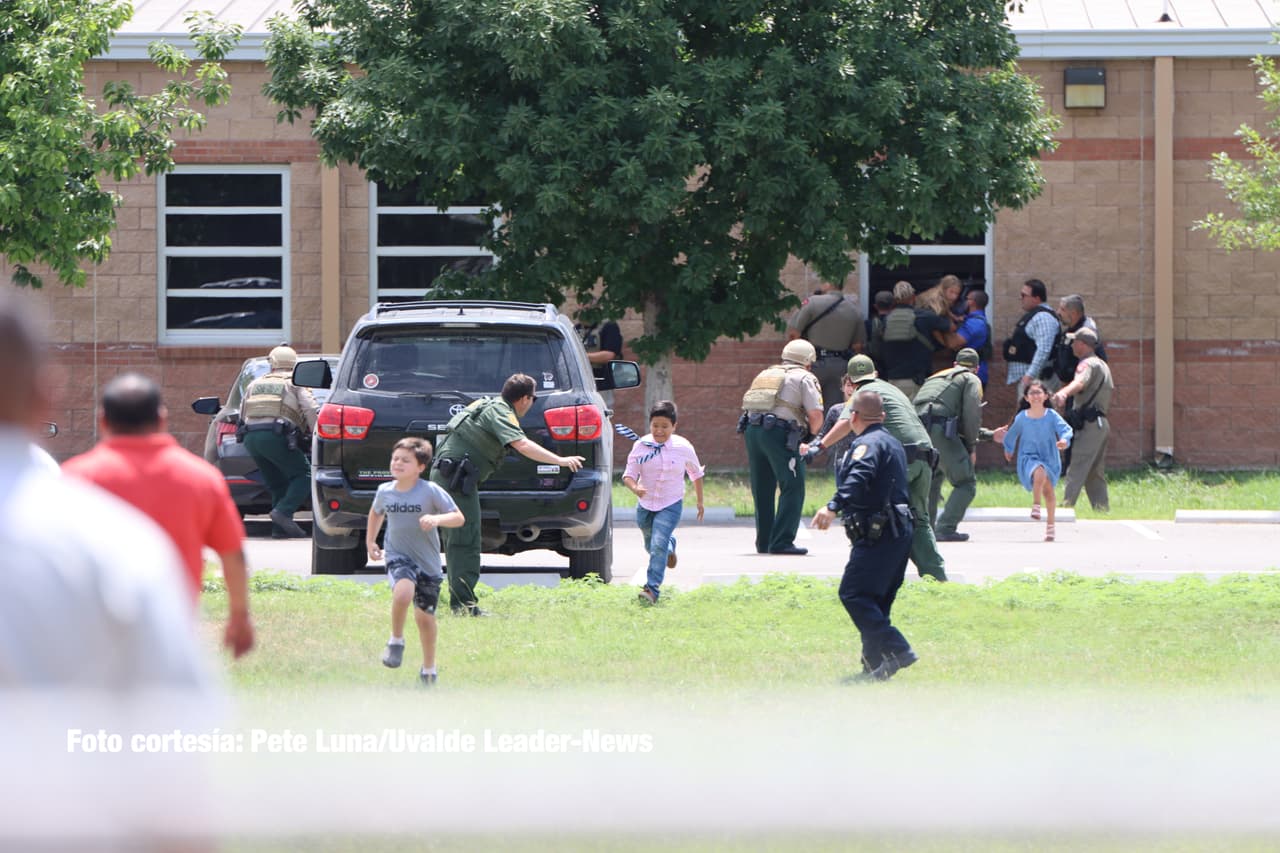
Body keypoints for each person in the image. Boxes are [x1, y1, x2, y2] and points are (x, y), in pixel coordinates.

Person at [0, 292, 211, 688]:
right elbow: (179, 705)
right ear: (46, 395)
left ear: (103, 420)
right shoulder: (120, 544)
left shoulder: (80, 477)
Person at [63, 373, 255, 658]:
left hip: (91, 636)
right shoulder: (200, 478)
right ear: (161, 419)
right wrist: (239, 615)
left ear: (103, 421)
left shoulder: (74, 479)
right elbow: (232, 554)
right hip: (172, 632)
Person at [430, 373, 585, 615]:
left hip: (450, 477)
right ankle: (463, 605)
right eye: (533, 398)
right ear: (524, 399)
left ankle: (451, 600)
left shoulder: (487, 404)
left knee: (456, 540)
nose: (532, 403)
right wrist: (560, 460)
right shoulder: (501, 412)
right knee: (465, 541)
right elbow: (522, 444)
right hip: (454, 480)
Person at [803, 355, 947, 581]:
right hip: (925, 457)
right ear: (875, 374)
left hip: (900, 461)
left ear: (851, 381)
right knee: (918, 519)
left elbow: (845, 423)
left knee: (872, 515)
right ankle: (937, 578)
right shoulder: (892, 390)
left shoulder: (863, 393)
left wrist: (818, 446)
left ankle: (872, 577)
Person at [811, 390, 917, 682]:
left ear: (853, 416)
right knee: (876, 600)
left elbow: (859, 476)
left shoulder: (866, 445)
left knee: (853, 593)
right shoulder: (891, 441)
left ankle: (898, 649)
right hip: (898, 530)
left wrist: (833, 506)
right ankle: (873, 666)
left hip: (878, 532)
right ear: (882, 416)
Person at [367, 437, 465, 685]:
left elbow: (458, 517)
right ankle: (396, 641)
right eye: (395, 459)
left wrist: (436, 519)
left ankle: (429, 670)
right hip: (398, 555)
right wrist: (370, 542)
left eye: (405, 460)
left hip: (428, 564)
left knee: (425, 619)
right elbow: (376, 513)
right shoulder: (385, 491)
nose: (398, 463)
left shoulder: (430, 491)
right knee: (403, 593)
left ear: (421, 467)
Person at [739, 340, 824, 556]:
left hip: (752, 431)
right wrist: (811, 437)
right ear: (807, 361)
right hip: (779, 434)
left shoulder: (766, 373)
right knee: (793, 485)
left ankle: (765, 541)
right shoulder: (805, 377)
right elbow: (816, 416)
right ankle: (782, 541)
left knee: (762, 488)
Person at [621, 400, 706, 604]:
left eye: (665, 426)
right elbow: (628, 474)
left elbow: (696, 474)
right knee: (651, 544)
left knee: (658, 544)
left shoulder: (683, 447)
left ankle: (651, 590)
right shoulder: (641, 446)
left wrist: (700, 502)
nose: (659, 431)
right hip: (645, 504)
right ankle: (670, 546)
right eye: (655, 426)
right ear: (650, 425)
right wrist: (635, 488)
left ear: (674, 426)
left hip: (671, 503)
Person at [239, 344, 320, 538]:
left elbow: (242, 412)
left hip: (251, 438)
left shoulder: (254, 384)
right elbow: (310, 408)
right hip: (276, 436)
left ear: (272, 364)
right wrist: (316, 433)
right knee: (305, 475)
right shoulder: (296, 383)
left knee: (277, 483)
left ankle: (279, 529)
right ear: (294, 364)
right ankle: (283, 512)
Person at [913, 348, 985, 543]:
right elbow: (971, 415)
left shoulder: (936, 378)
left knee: (932, 479)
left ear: (955, 364)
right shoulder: (971, 379)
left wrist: (989, 434)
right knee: (965, 483)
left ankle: (925, 529)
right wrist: (971, 446)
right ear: (977, 368)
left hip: (918, 430)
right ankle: (945, 528)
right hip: (940, 431)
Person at [994, 380, 1073, 542]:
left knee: (1049, 491)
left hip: (1049, 457)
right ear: (1026, 397)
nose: (1036, 396)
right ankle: (1036, 505)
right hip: (1028, 457)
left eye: (1039, 392)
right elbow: (1012, 434)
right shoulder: (1022, 418)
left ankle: (1050, 527)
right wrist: (1009, 449)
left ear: (1046, 396)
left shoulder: (1051, 416)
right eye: (1032, 393)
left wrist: (1064, 441)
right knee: (1039, 471)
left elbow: (1065, 430)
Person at [1051, 327, 1114, 512]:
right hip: (1100, 424)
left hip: (1090, 424)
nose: (1071, 345)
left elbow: (1080, 382)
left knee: (1077, 467)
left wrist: (1063, 393)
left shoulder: (1086, 364)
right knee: (1094, 472)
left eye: (1074, 342)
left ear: (1082, 344)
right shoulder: (1102, 364)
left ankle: (1065, 507)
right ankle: (1101, 509)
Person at [787, 278, 866, 415]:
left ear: (829, 283)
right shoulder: (854, 310)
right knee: (834, 412)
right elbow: (858, 346)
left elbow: (794, 334)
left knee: (806, 410)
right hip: (840, 366)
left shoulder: (812, 302)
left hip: (813, 364)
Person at [879, 280, 950, 400]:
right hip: (916, 381)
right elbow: (949, 327)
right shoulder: (925, 316)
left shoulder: (887, 320)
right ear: (913, 297)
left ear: (895, 299)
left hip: (892, 381)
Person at [1003, 277, 1061, 394]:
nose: (1021, 298)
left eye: (1024, 295)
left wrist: (1030, 375)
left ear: (1036, 298)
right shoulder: (1036, 315)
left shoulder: (1043, 318)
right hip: (1032, 381)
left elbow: (1043, 349)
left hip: (1038, 382)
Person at [941, 289, 993, 388]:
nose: (964, 302)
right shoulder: (972, 319)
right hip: (970, 374)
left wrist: (945, 324)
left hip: (971, 376)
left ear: (972, 302)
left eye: (967, 299)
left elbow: (953, 343)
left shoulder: (974, 323)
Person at [1054, 293, 1108, 383]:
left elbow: (1091, 366)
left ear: (1074, 313)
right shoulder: (1069, 331)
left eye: (1062, 309)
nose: (1058, 312)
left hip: (1082, 386)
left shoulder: (1087, 335)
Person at [577, 319, 624, 407]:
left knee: (601, 411)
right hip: (580, 382)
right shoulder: (577, 328)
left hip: (601, 383)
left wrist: (580, 356)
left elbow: (609, 355)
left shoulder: (609, 326)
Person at [864, 289, 896, 373]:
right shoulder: (897, 323)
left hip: (874, 366)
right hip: (894, 365)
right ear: (893, 305)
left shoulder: (868, 324)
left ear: (875, 306)